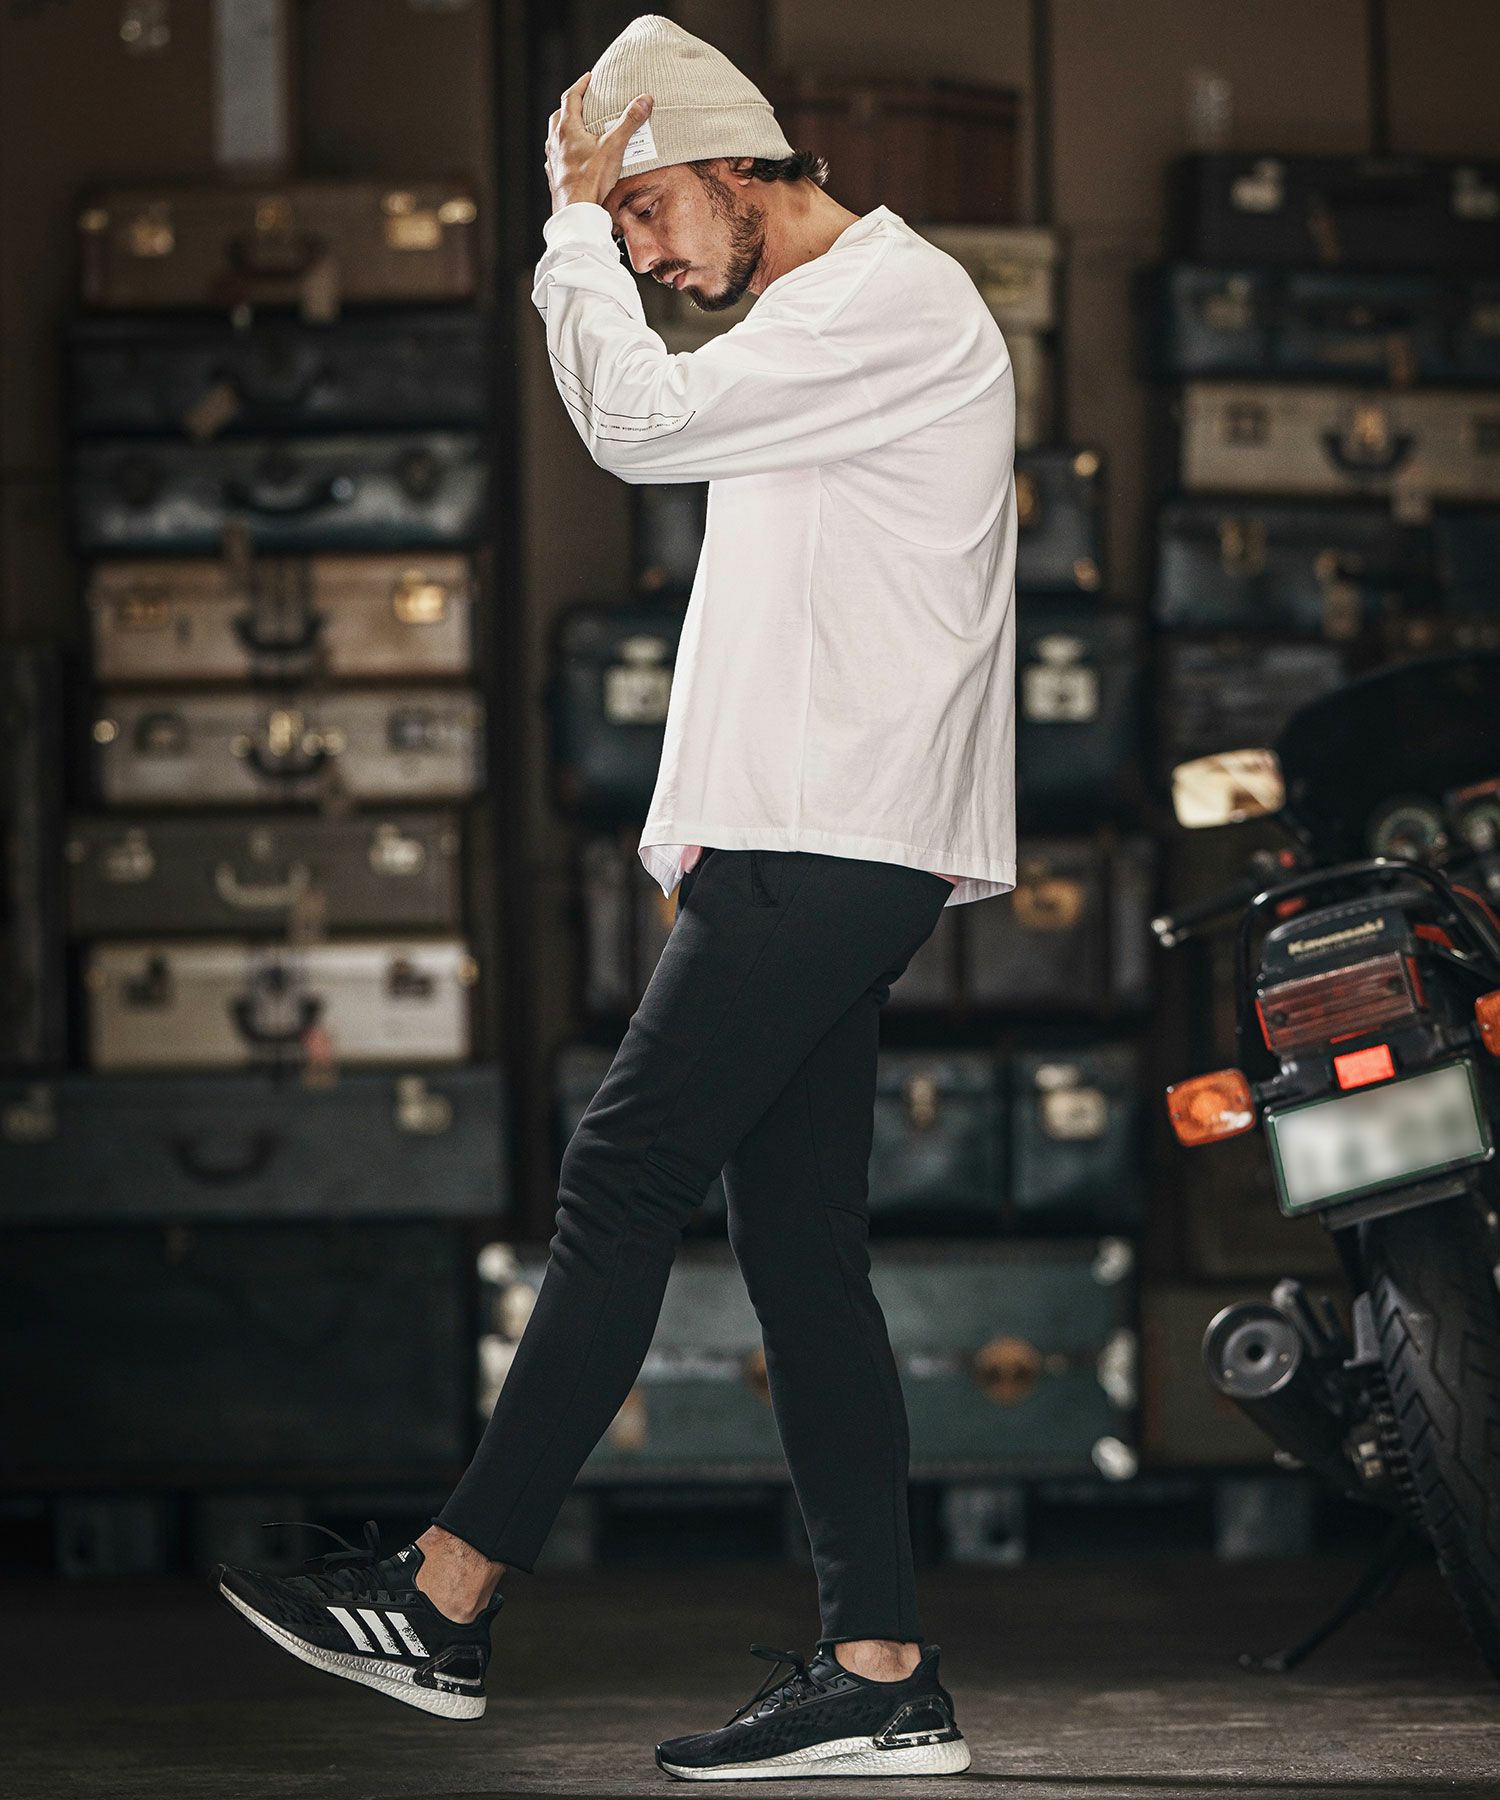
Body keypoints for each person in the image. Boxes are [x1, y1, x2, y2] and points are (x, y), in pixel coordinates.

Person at [215, 13, 1016, 1781]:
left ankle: (446, 1595)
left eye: (650, 209)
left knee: (621, 1175)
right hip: (816, 842)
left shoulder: (884, 303)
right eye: (622, 221)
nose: (643, 251)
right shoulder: (824, 323)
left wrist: (565, 228)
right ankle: (881, 1672)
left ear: (736, 166)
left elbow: (635, 427)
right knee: (801, 1257)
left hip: (828, 840)